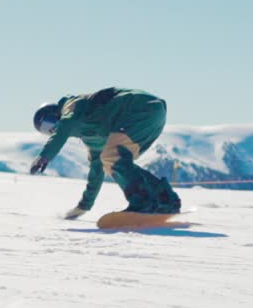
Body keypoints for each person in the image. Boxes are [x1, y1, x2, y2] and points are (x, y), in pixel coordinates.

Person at [30, 87, 180, 219]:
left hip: (139, 107)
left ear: (55, 111)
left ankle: (143, 203)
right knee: (112, 160)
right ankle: (166, 199)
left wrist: (44, 157)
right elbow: (97, 170)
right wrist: (84, 206)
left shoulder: (71, 105)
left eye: (49, 122)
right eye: (46, 130)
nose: (52, 129)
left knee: (113, 157)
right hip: (152, 113)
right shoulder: (90, 136)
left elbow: (66, 124)